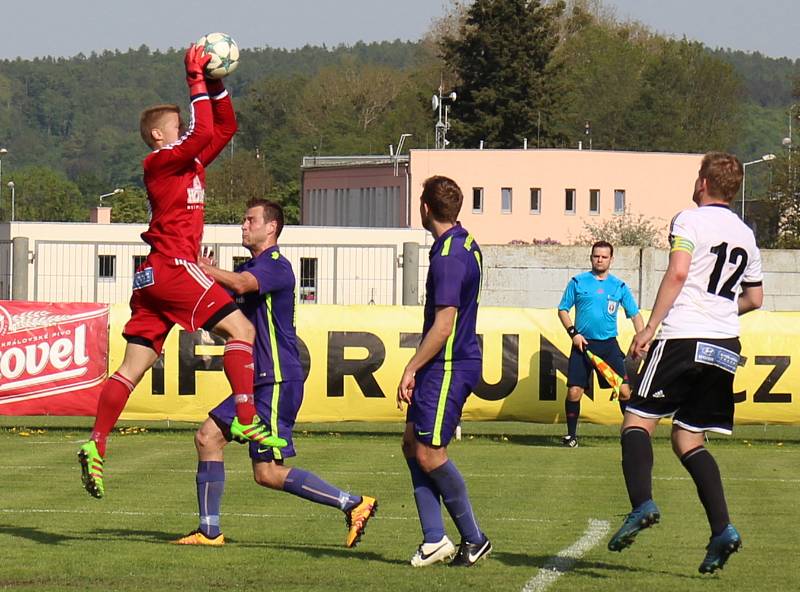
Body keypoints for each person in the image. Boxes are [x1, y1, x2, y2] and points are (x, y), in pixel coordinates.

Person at [78, 46, 283, 500]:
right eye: (176, 126)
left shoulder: (186, 161)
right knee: (242, 330)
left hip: (153, 277)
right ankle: (248, 419)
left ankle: (96, 443)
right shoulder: (160, 160)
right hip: (173, 268)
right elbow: (205, 128)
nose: (186, 130)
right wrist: (194, 78)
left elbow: (223, 126)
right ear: (157, 135)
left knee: (133, 367)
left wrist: (217, 84)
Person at [173, 199, 377, 547]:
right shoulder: (255, 267)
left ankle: (353, 503)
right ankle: (352, 504)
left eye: (250, 220)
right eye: (243, 219)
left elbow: (239, 284)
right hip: (259, 379)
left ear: (272, 228)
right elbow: (230, 302)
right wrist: (203, 276)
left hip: (276, 379)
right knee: (255, 467)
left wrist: (202, 269)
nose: (243, 225)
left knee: (222, 446)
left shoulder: (275, 265)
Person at [607, 152, 763, 574]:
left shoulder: (689, 220)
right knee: (688, 439)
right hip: (725, 344)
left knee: (637, 422)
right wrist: (721, 314)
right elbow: (755, 297)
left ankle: (641, 504)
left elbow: (678, 273)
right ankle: (722, 529)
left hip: (684, 336)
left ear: (704, 183)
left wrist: (650, 327)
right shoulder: (746, 234)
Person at [397, 176, 491, 567]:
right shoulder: (464, 242)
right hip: (444, 363)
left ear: (424, 208)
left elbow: (444, 324)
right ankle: (435, 538)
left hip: (449, 365)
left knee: (431, 454)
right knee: (411, 445)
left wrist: (411, 366)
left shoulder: (450, 255)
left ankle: (474, 538)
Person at [557, 241, 644, 447]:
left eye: (604, 257)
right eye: (596, 256)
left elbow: (635, 315)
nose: (600, 260)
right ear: (591, 257)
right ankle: (571, 436)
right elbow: (562, 310)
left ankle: (632, 435)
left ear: (611, 259)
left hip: (608, 346)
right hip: (582, 345)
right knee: (574, 392)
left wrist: (642, 337)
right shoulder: (578, 282)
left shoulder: (619, 286)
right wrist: (573, 334)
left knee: (624, 391)